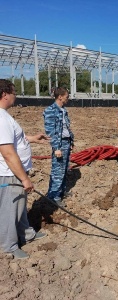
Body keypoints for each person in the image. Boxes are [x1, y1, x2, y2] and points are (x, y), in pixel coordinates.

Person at [0, 79, 48, 259]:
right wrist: (24, 178)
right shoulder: (1, 119)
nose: (16, 95)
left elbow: (13, 139)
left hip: (15, 172)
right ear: (5, 94)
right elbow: (8, 153)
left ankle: (26, 233)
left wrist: (32, 138)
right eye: (14, 92)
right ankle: (9, 246)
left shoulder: (4, 117)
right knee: (9, 209)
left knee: (20, 206)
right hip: (9, 173)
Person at [43, 87, 74, 207]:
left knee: (64, 169)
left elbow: (66, 128)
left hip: (66, 142)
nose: (68, 98)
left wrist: (71, 141)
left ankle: (61, 191)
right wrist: (56, 147)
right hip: (59, 144)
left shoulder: (63, 110)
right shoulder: (51, 111)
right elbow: (50, 132)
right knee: (58, 171)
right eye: (67, 96)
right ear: (60, 97)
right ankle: (54, 196)